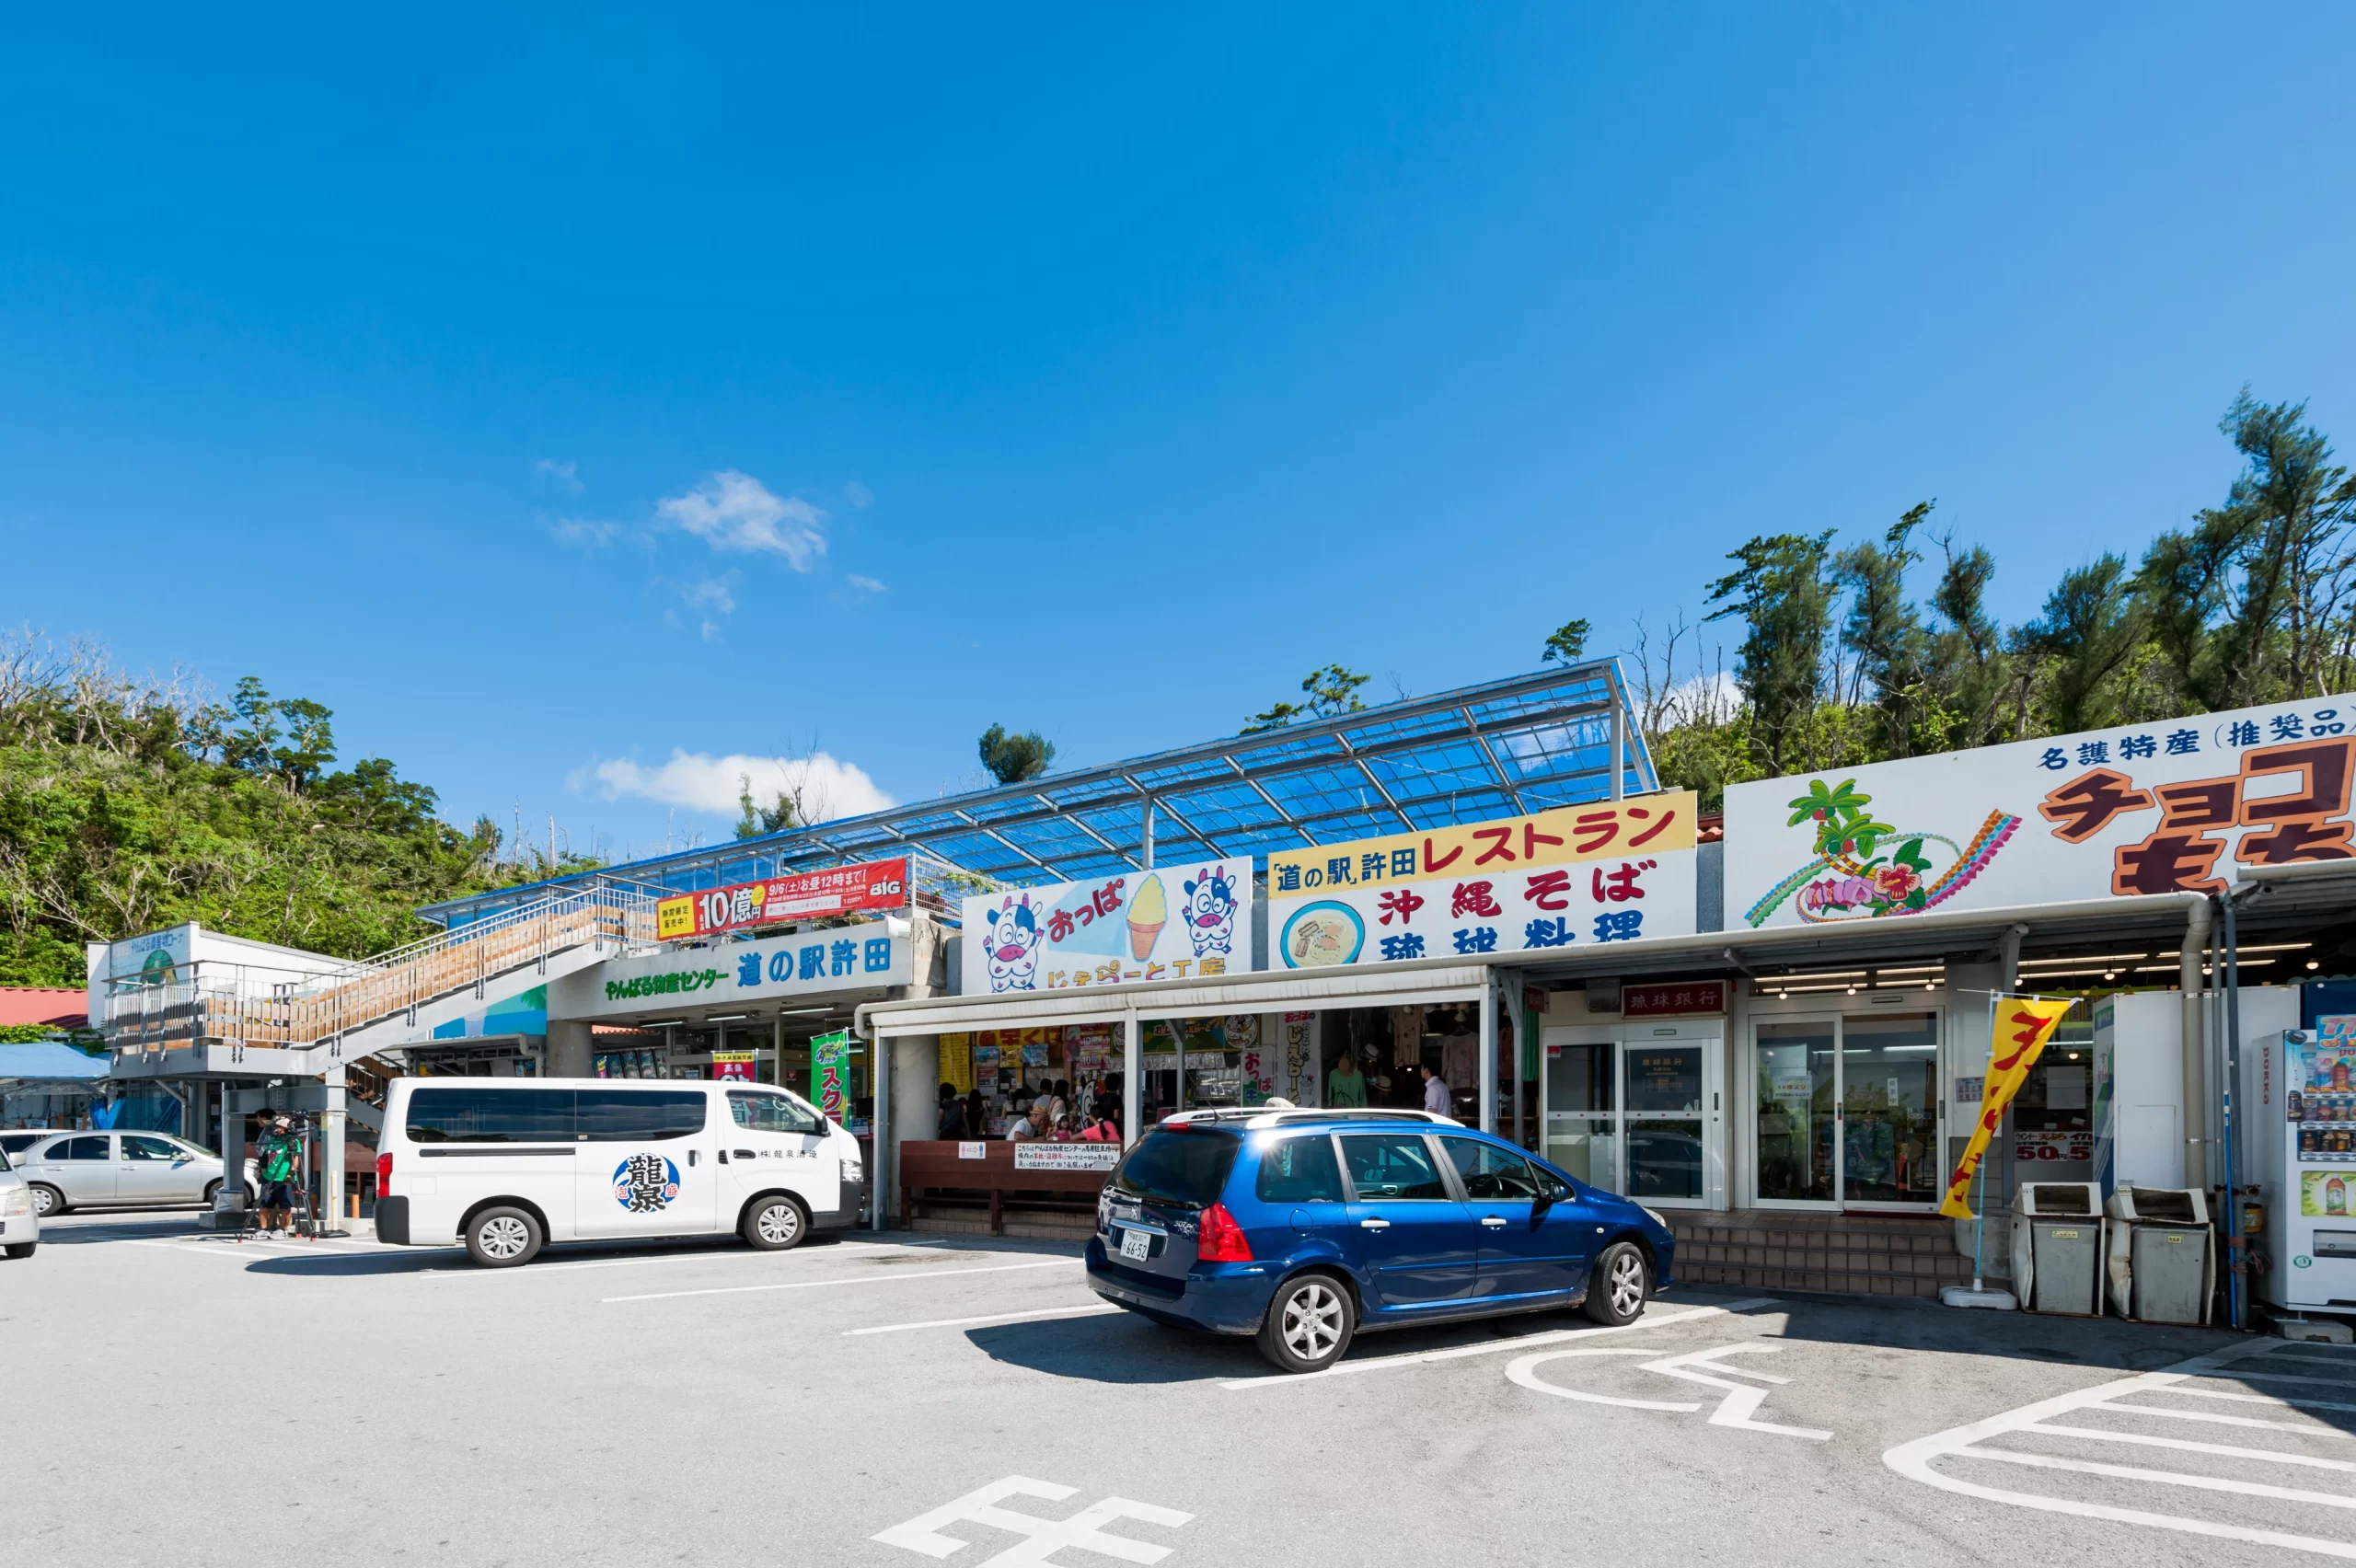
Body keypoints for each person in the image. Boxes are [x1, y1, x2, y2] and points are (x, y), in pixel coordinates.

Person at [254, 1114, 304, 1236]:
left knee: (285, 1205)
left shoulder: (292, 1141)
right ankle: (263, 1230)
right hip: (268, 1177)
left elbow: (295, 1159)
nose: (275, 1128)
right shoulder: (272, 1140)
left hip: (283, 1178)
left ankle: (283, 1230)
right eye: (275, 1126)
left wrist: (291, 1174)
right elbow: (265, 1157)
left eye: (278, 1126)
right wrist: (261, 1170)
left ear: (285, 1127)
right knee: (264, 1204)